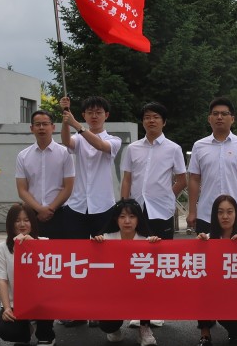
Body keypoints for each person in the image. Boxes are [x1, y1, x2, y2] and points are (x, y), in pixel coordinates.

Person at [187, 97, 237, 235]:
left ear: (232, 119)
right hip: (206, 214)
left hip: (236, 214)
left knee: (236, 249)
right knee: (206, 249)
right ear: (209, 119)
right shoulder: (199, 146)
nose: (219, 117)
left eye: (224, 114)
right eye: (215, 114)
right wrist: (192, 211)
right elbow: (194, 179)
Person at [91, 198, 156, 346]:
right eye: (122, 216)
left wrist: (156, 246)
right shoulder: (106, 239)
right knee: (107, 325)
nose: (127, 221)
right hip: (113, 292)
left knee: (148, 292)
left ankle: (144, 327)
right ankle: (114, 329)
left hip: (138, 290)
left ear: (138, 219)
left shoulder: (146, 241)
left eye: (132, 216)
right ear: (116, 219)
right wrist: (97, 244)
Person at [0, 203, 55, 346]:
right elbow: (2, 280)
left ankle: (46, 334)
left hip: (41, 301)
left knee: (45, 307)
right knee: (6, 330)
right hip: (16, 303)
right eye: (17, 220)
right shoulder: (1, 249)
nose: (22, 224)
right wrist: (7, 308)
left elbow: (50, 275)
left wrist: (34, 246)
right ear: (10, 223)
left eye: (26, 220)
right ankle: (27, 330)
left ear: (32, 222)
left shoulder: (45, 242)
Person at [120, 101, 186, 241]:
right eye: (147, 117)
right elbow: (127, 179)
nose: (151, 120)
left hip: (162, 210)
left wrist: (167, 195)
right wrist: (124, 205)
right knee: (136, 249)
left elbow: (182, 180)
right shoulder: (133, 148)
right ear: (143, 122)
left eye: (156, 117)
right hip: (136, 209)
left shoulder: (173, 149)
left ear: (164, 122)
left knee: (162, 250)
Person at [194, 195, 237, 346]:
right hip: (214, 291)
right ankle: (205, 335)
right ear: (214, 215)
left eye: (229, 212)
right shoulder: (206, 238)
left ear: (236, 214)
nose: (225, 216)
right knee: (202, 289)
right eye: (220, 212)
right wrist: (199, 246)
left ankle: (236, 328)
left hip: (235, 294)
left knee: (232, 329)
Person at [58, 95, 122, 239]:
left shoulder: (114, 140)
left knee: (103, 248)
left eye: (98, 112)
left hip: (103, 205)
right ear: (84, 115)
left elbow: (100, 145)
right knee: (76, 248)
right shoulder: (78, 138)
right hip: (77, 205)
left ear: (106, 115)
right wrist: (66, 117)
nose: (94, 116)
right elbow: (66, 141)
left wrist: (76, 124)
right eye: (90, 112)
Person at [15, 110, 75, 240]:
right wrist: (40, 209)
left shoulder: (65, 153)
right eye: (37, 124)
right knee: (33, 249)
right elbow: (22, 190)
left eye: (45, 124)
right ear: (32, 128)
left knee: (59, 250)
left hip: (60, 212)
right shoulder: (23, 156)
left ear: (53, 127)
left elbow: (68, 187)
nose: (41, 127)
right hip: (33, 214)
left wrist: (50, 209)